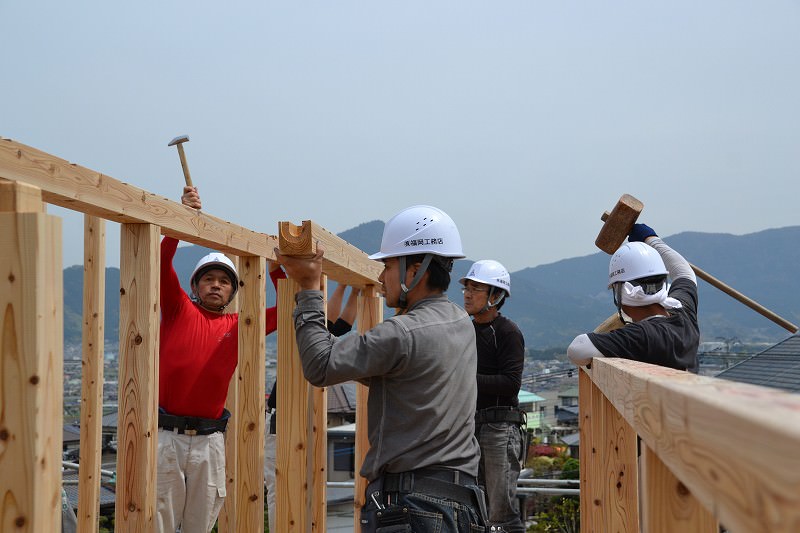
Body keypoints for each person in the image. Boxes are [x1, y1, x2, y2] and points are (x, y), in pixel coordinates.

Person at [275, 204, 487, 532]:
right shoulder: (460, 322)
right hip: (461, 502)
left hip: (412, 504)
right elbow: (399, 373)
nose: (379, 276)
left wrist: (307, 288)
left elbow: (320, 366)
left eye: (387, 265)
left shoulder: (401, 332)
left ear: (415, 271)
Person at [157, 185, 284, 533]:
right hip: (166, 435)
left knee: (201, 523)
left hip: (210, 440)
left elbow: (290, 307)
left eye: (224, 281)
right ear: (195, 287)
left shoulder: (241, 325)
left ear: (232, 292)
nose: (216, 285)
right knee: (158, 523)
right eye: (208, 279)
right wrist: (182, 217)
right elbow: (162, 261)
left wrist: (275, 269)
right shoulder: (177, 310)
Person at [263, 283, 359, 533]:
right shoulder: (314, 341)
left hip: (291, 415)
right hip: (289, 415)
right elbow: (339, 325)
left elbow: (338, 325)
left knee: (285, 486)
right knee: (283, 486)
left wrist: (352, 288)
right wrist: (351, 288)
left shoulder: (311, 340)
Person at [567, 223, 700, 372]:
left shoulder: (640, 336)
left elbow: (577, 350)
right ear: (663, 280)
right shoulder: (683, 312)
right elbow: (684, 273)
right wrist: (651, 239)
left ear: (622, 292)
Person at [461, 260, 527, 533]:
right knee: (473, 506)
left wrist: (464, 380)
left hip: (500, 427)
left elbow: (510, 384)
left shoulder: (507, 332)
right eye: (467, 287)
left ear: (495, 296)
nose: (467, 294)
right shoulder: (464, 329)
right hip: (470, 425)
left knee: (501, 510)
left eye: (476, 289)